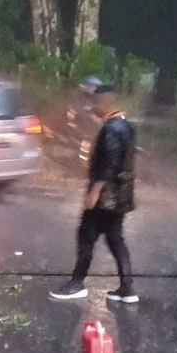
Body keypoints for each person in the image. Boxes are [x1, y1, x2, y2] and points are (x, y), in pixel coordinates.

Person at [50, 86, 139, 303]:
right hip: (122, 194)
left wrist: (94, 192)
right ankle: (127, 289)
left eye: (96, 103)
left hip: (105, 197)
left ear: (106, 104)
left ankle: (77, 283)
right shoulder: (127, 126)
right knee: (116, 238)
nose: (93, 108)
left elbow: (108, 165)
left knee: (86, 237)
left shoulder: (110, 129)